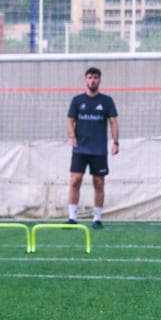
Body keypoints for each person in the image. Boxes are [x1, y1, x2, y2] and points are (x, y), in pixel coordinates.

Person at [66, 66, 119, 229]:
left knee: (99, 182)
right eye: (90, 77)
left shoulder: (107, 101)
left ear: (100, 80)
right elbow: (70, 121)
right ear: (85, 80)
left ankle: (97, 219)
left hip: (98, 150)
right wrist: (72, 136)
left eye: (96, 77)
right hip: (80, 148)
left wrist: (116, 142)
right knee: (75, 180)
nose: (93, 80)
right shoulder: (77, 100)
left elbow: (113, 122)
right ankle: (72, 217)